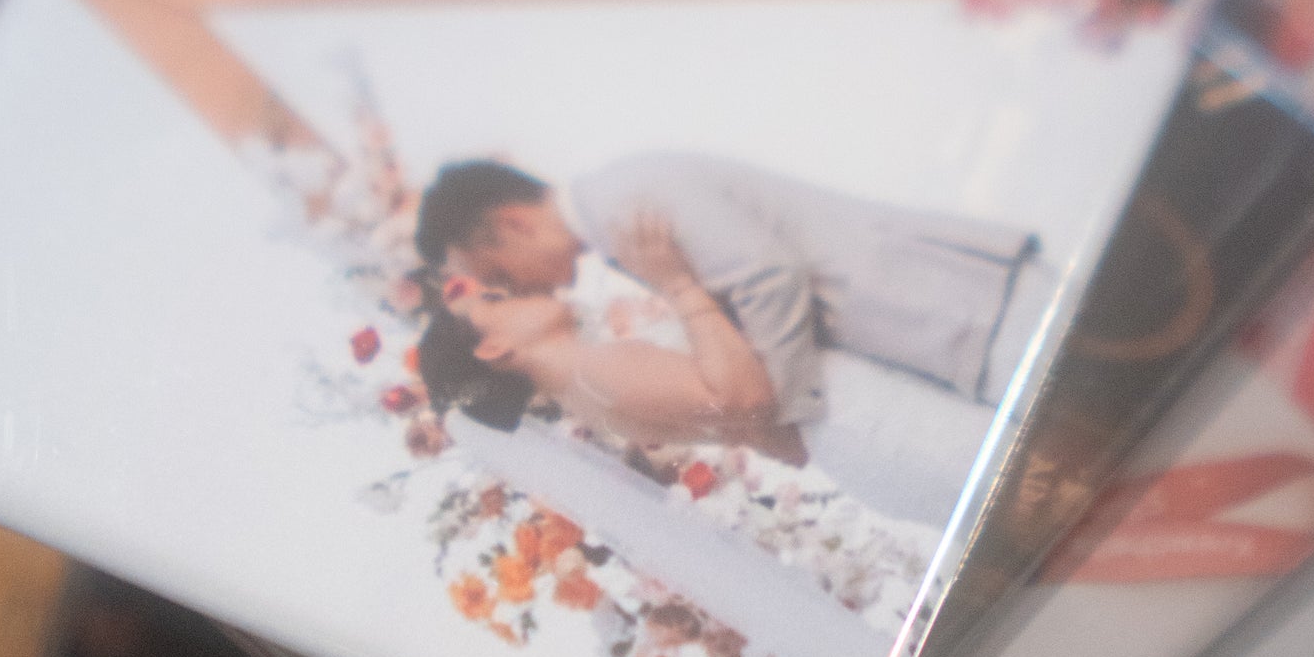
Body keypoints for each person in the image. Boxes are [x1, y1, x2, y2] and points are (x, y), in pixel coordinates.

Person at [413, 150, 1047, 422]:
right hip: (943, 318)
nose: (518, 289)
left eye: (499, 275)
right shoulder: (614, 222)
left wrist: (786, 404)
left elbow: (769, 276)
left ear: (514, 224)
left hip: (958, 306)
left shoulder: (622, 205)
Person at [415, 211, 805, 459]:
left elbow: (756, 430)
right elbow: (748, 405)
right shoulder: (592, 376)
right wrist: (678, 283)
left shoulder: (584, 379)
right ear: (493, 346)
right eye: (494, 299)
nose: (514, 291)